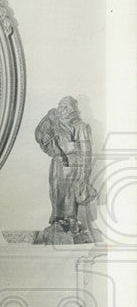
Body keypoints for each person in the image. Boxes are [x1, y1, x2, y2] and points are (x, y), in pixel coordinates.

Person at [34, 96, 95, 233]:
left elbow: (87, 152)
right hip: (57, 163)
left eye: (64, 106)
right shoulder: (55, 124)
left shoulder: (82, 126)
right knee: (55, 190)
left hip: (73, 165)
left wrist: (84, 174)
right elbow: (43, 136)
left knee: (69, 193)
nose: (61, 109)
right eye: (59, 106)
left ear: (72, 108)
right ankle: (57, 219)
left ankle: (70, 220)